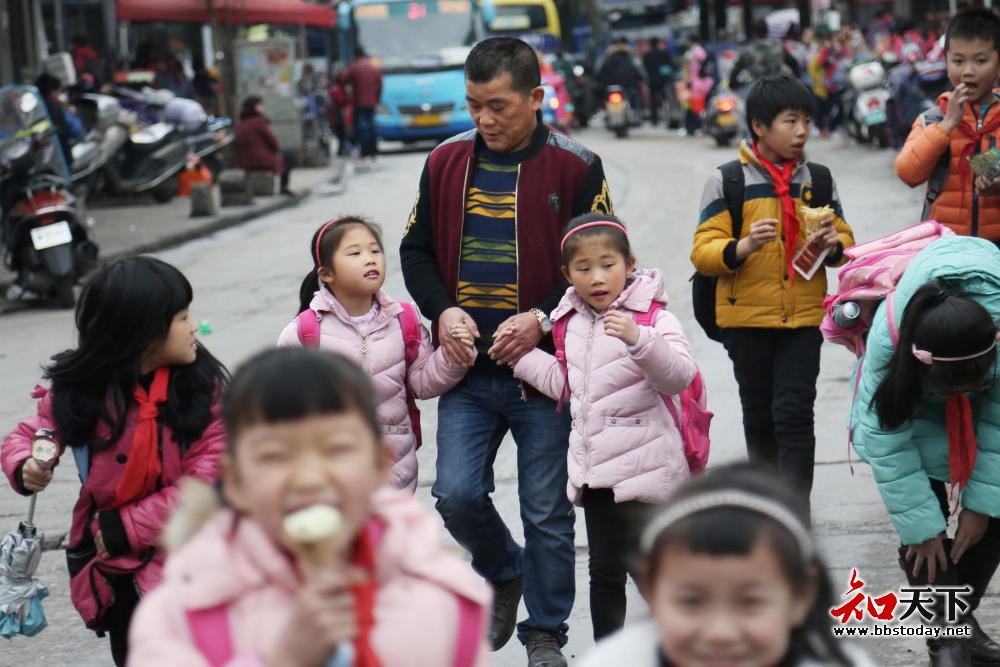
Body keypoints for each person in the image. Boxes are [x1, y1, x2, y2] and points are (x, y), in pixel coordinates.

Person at [399, 36, 614, 667]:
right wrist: (442, 311)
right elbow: (415, 250)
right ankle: (502, 568)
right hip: (466, 371)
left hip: (542, 374)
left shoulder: (577, 166)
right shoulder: (444, 161)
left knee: (546, 510)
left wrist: (542, 318)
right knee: (455, 494)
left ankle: (545, 633)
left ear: (535, 97)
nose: (484, 119)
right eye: (474, 105)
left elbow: (602, 264)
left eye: (498, 106)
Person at [127, 347, 493, 666]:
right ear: (235, 481)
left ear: (380, 465)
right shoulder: (181, 614)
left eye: (336, 450)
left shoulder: (441, 601)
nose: (308, 479)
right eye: (275, 456)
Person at [0, 257, 229, 666]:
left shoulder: (201, 389)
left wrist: (126, 527)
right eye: (182, 317)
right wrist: (27, 463)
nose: (195, 326)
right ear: (140, 334)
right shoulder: (80, 392)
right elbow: (30, 434)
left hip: (192, 560)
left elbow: (211, 480)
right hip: (117, 574)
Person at [511, 214, 697, 641]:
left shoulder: (653, 318)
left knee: (655, 572)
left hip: (649, 474)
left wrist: (639, 339)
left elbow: (679, 376)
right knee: (605, 573)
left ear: (629, 265)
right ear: (567, 275)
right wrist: (520, 357)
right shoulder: (569, 322)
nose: (597, 278)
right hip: (597, 477)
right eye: (584, 268)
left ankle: (691, 643)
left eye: (607, 265)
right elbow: (569, 386)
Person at [690, 74, 854, 519]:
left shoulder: (818, 180)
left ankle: (794, 514)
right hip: (746, 323)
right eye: (790, 121)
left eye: (807, 121)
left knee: (795, 413)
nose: (802, 132)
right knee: (760, 415)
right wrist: (743, 246)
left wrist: (832, 243)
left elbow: (844, 241)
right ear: (759, 127)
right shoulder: (728, 181)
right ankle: (767, 509)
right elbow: (703, 251)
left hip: (802, 320)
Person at [851, 235, 1000, 666]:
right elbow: (886, 440)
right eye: (952, 388)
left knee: (993, 515)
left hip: (979, 403)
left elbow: (997, 426)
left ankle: (958, 629)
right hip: (909, 405)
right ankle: (947, 643)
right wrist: (922, 529)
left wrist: (981, 507)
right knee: (923, 532)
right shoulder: (891, 340)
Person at [576, 463, 877, 667]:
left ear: (801, 594)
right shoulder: (617, 660)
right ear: (651, 590)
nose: (720, 633)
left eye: (750, 602)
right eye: (692, 602)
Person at [276, 216, 476, 491]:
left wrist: (455, 355)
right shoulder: (305, 332)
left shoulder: (403, 319)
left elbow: (423, 382)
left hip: (394, 467)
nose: (370, 259)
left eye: (375, 250)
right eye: (355, 253)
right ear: (326, 274)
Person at [894, 8, 1000, 242]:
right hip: (947, 249)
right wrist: (947, 125)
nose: (968, 71)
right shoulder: (933, 120)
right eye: (958, 61)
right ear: (946, 62)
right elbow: (907, 172)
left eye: (980, 61)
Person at [234, 95, 294, 196]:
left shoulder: (240, 124)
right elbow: (273, 142)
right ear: (255, 107)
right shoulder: (259, 122)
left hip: (244, 162)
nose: (263, 107)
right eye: (261, 105)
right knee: (287, 156)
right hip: (260, 161)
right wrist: (274, 150)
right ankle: (284, 187)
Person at [730, 19, 802, 92]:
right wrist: (797, 77)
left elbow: (735, 71)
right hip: (781, 86)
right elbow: (793, 63)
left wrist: (733, 84)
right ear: (767, 31)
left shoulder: (747, 51)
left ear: (753, 33)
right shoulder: (778, 45)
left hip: (761, 89)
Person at [339, 46, 383, 165]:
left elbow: (342, 79)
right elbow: (380, 84)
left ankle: (365, 152)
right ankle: (374, 151)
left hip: (359, 102)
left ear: (356, 56)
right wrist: (376, 98)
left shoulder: (354, 67)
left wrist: (347, 95)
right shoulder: (373, 67)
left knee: (362, 128)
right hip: (371, 102)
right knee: (372, 127)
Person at [596, 37, 646, 115]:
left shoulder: (606, 56)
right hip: (628, 84)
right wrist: (642, 78)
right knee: (635, 96)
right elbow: (638, 68)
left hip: (611, 84)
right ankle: (636, 112)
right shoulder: (630, 54)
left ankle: (604, 111)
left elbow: (599, 71)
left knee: (605, 98)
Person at [642, 37, 675, 126]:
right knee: (665, 98)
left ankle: (654, 120)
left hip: (651, 80)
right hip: (663, 79)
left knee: (653, 101)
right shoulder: (664, 53)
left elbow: (644, 68)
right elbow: (670, 65)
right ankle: (668, 116)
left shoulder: (647, 55)